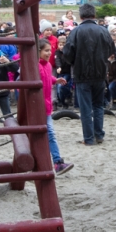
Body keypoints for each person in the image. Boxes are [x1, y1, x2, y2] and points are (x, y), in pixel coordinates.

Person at [62, 4, 114, 145]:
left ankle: (89, 138)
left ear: (80, 16)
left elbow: (66, 53)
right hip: (100, 73)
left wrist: (75, 62)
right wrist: (102, 60)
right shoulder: (103, 31)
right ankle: (99, 135)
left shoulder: (76, 31)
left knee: (85, 108)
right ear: (94, 15)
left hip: (81, 74)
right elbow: (111, 48)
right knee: (98, 106)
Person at [38, 39, 72, 175]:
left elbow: (47, 77)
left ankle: (55, 162)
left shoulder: (46, 65)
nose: (49, 53)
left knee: (47, 134)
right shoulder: (34, 66)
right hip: (38, 106)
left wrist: (55, 80)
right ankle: (58, 162)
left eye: (49, 50)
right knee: (50, 134)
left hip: (46, 106)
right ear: (38, 51)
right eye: (46, 50)